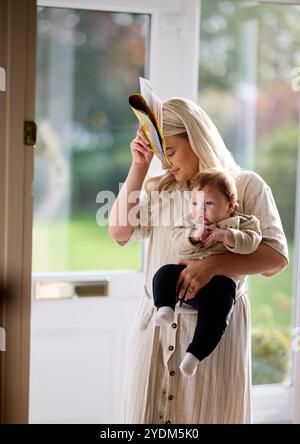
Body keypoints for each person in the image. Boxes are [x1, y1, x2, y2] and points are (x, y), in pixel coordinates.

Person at [108, 97, 288, 424]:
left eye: (171, 152)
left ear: (195, 137)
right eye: (160, 156)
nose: (165, 165)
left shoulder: (246, 186)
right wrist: (138, 166)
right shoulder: (160, 188)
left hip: (213, 340)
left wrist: (216, 266)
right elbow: (119, 232)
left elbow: (276, 257)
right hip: (156, 333)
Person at [152, 168, 262, 377]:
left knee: (220, 311)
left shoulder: (242, 222)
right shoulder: (190, 223)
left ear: (230, 205)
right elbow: (177, 242)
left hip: (218, 285)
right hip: (186, 276)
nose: (200, 211)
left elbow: (252, 243)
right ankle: (164, 307)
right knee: (164, 273)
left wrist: (228, 235)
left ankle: (194, 354)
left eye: (208, 204)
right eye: (195, 204)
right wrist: (193, 237)